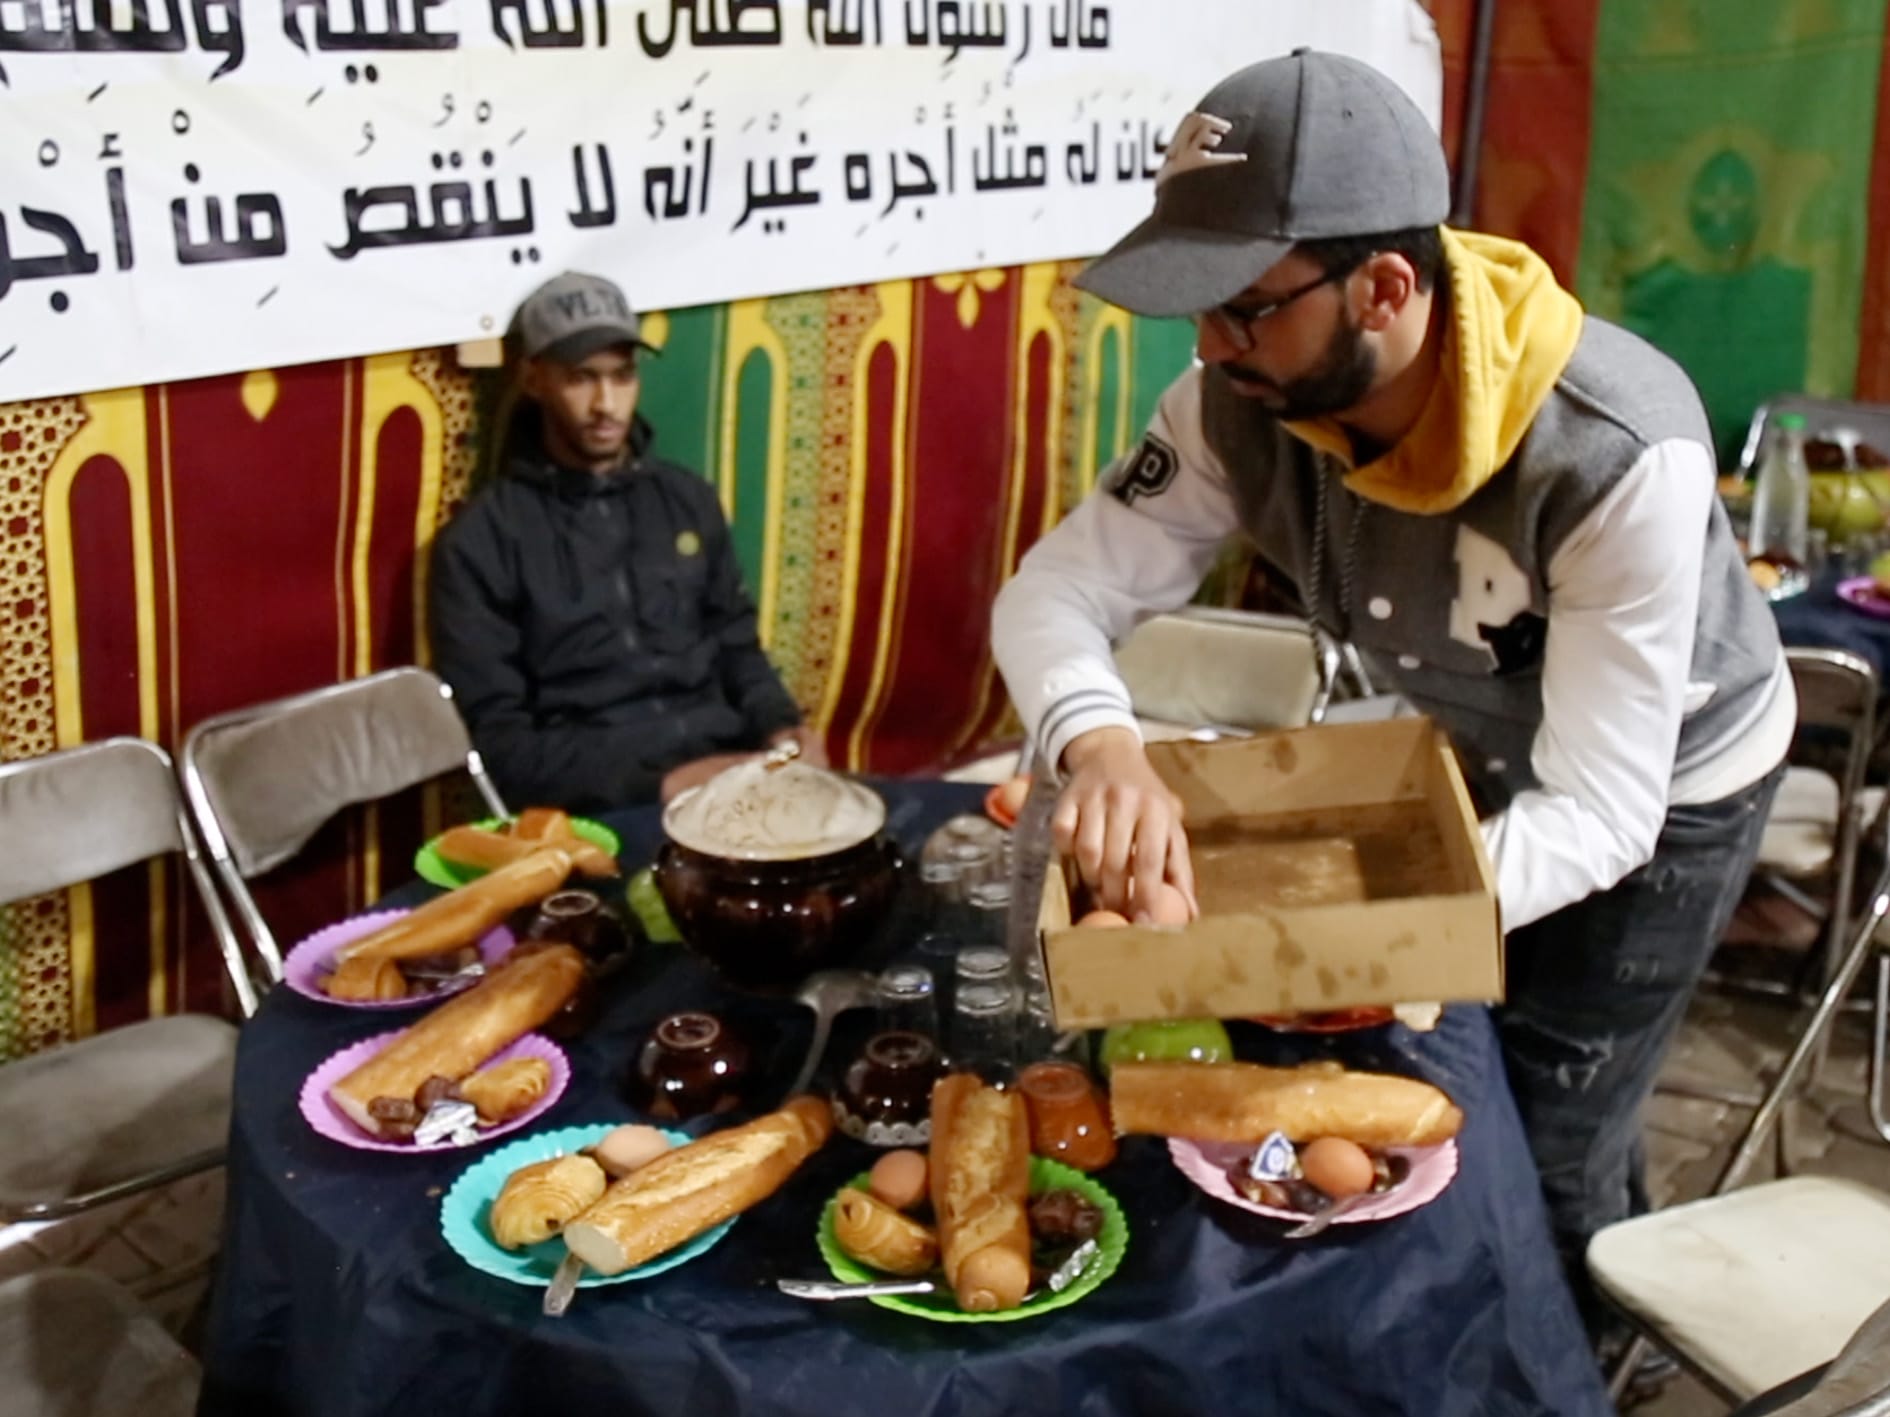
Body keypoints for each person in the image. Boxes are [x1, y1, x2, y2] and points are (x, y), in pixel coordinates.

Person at [990, 51, 1792, 1341]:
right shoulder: (1232, 402)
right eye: (1195, 304)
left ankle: (1576, 1360)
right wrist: (1100, 746)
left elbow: (1596, 809)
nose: (1208, 345)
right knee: (1432, 1093)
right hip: (1450, 744)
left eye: (1244, 306)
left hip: (1665, 787)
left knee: (1553, 1131)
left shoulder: (1616, 452)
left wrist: (1373, 935)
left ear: (1386, 285)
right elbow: (1053, 594)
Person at [429, 271, 822, 812]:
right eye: (581, 378)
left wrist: (783, 730)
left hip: (731, 772)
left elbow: (738, 649)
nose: (605, 405)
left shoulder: (687, 500)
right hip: (605, 805)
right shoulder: (483, 542)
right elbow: (502, 750)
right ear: (534, 379)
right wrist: (663, 785)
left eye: (622, 376)